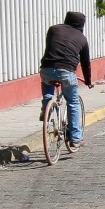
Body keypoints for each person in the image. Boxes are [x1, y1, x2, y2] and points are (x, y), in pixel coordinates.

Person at [39, 11, 93, 148]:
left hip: (46, 70)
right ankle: (75, 138)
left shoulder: (53, 29)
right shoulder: (82, 38)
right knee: (73, 102)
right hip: (66, 71)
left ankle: (46, 108)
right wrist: (88, 81)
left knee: (47, 87)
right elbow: (86, 63)